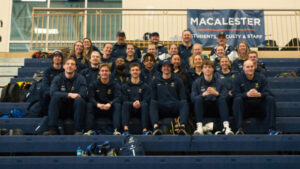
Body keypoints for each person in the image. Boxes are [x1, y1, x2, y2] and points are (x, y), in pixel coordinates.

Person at [232, 60, 279, 135]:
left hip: (259, 108)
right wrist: (246, 94)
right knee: (237, 100)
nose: (250, 68)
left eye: (251, 66)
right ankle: (239, 129)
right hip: (245, 109)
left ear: (254, 67)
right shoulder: (237, 79)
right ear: (243, 68)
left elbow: (268, 92)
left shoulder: (261, 78)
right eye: (247, 67)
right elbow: (234, 94)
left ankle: (272, 129)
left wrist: (260, 94)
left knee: (270, 99)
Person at [43, 57, 87, 135]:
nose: (70, 66)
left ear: (75, 67)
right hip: (61, 109)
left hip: (75, 109)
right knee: (54, 98)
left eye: (72, 64)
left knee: (80, 100)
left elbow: (82, 94)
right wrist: (69, 94)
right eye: (67, 64)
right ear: (64, 66)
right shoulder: (57, 78)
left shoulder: (81, 78)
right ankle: (53, 129)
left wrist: (70, 96)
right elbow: (52, 92)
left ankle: (78, 130)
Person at [191, 60, 233, 135]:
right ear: (202, 69)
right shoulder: (197, 82)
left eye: (209, 67)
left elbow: (226, 97)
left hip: (216, 107)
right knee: (198, 99)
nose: (207, 69)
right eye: (205, 67)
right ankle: (199, 127)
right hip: (203, 108)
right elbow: (193, 98)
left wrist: (217, 94)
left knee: (221, 98)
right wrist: (203, 95)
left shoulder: (220, 81)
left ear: (213, 69)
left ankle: (226, 127)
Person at [149, 59, 189, 135]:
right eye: (164, 66)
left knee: (184, 102)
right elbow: (153, 97)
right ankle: (155, 128)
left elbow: (183, 97)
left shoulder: (178, 81)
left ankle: (182, 127)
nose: (166, 68)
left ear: (171, 68)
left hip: (174, 106)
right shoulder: (155, 81)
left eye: (168, 66)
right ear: (161, 69)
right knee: (153, 102)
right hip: (162, 107)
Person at [85, 63, 122, 135]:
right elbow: (90, 97)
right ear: (99, 73)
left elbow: (118, 97)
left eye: (106, 71)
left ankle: (116, 130)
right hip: (98, 107)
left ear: (109, 72)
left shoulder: (115, 84)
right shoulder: (94, 84)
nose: (104, 72)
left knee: (117, 105)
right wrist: (97, 104)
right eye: (102, 71)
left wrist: (110, 103)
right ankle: (89, 130)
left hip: (109, 107)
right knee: (89, 105)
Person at [122, 63, 151, 135]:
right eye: (133, 70)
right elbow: (123, 99)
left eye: (137, 70)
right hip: (129, 108)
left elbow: (146, 99)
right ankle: (125, 130)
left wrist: (140, 103)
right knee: (125, 104)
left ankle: (145, 130)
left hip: (141, 108)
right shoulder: (125, 86)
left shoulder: (145, 86)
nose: (135, 72)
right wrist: (132, 103)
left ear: (140, 71)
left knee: (145, 105)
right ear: (130, 72)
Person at [41, 51, 64, 116]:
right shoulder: (47, 71)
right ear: (52, 59)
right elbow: (45, 86)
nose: (57, 58)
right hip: (51, 94)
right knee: (45, 94)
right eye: (55, 56)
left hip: (62, 93)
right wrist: (53, 93)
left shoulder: (65, 71)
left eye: (59, 57)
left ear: (61, 59)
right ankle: (46, 115)